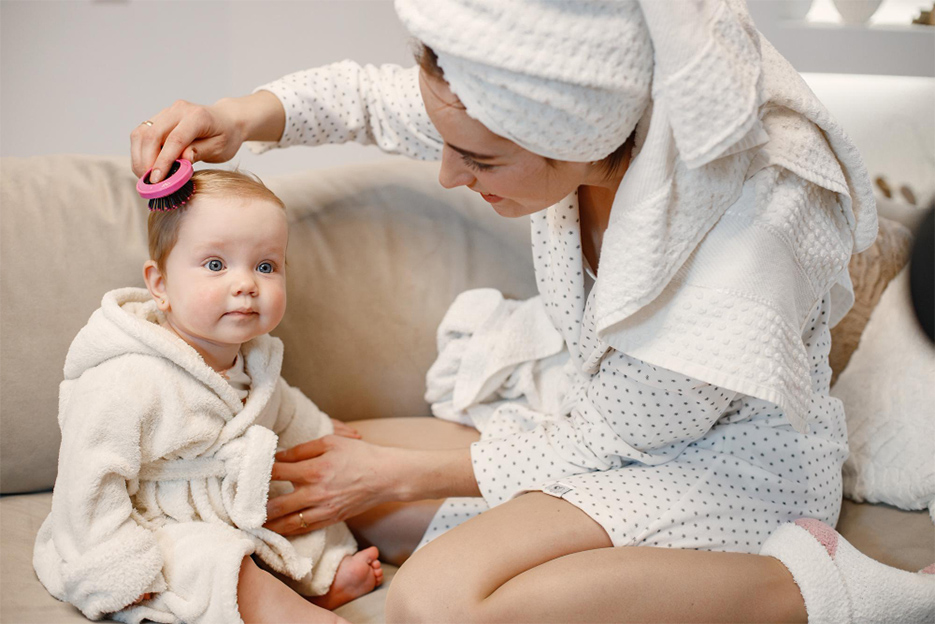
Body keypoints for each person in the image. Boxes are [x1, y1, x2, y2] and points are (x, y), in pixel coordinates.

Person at [130, 1, 935, 621]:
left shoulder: (748, 223)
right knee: (302, 461)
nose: (448, 175)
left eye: (478, 161)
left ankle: (836, 589)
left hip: (724, 468)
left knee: (432, 602)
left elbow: (632, 434)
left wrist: (404, 470)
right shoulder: (553, 103)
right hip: (599, 433)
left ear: (584, 142)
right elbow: (368, 101)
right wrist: (235, 116)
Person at [33, 169, 383, 624]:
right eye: (216, 265)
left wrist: (321, 430)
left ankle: (304, 593)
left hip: (230, 502)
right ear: (159, 285)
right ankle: (305, 616)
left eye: (266, 266)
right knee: (209, 559)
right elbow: (88, 484)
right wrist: (116, 566)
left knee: (303, 512)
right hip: (149, 522)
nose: (246, 284)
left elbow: (281, 407)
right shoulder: (124, 378)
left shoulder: (256, 361)